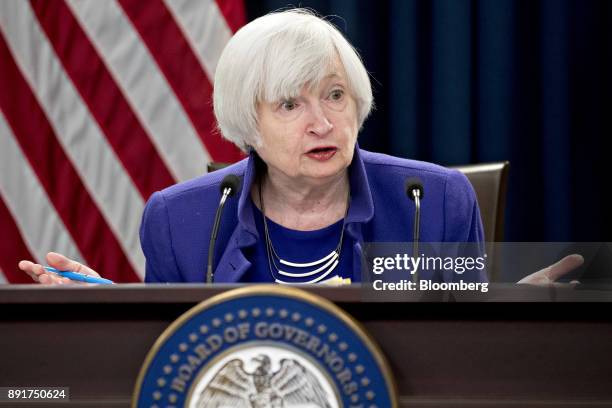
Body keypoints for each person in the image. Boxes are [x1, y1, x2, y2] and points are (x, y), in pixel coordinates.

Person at [18, 9, 582, 285]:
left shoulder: (434, 202)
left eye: (335, 95)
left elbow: (463, 354)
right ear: (248, 121)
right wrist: (111, 314)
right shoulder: (178, 219)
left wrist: (509, 318)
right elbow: (174, 361)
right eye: (290, 104)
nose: (323, 123)